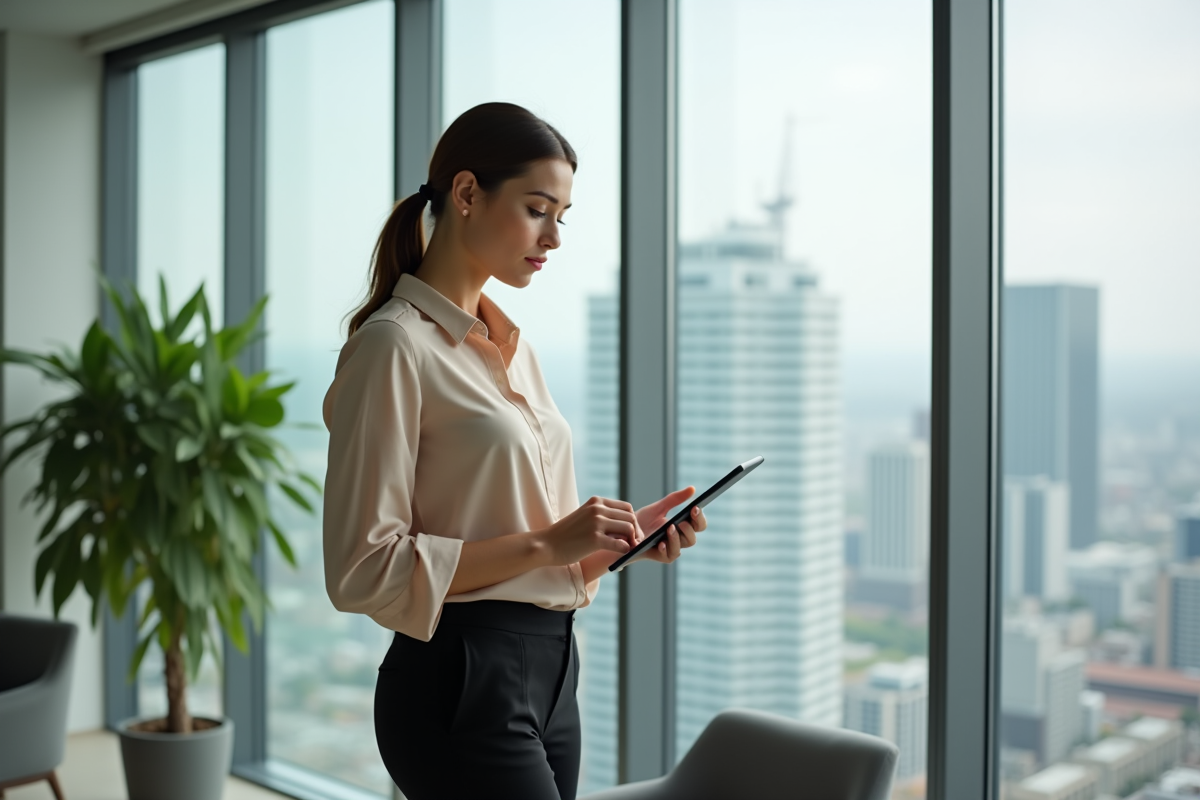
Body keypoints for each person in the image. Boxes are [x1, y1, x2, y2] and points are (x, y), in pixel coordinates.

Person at [321, 102, 707, 800]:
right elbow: (360, 568)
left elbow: (535, 553)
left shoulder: (511, 349)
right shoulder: (394, 346)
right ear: (467, 194)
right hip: (459, 677)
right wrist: (548, 543)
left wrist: (617, 544)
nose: (554, 237)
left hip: (554, 671)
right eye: (538, 209)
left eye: (563, 215)